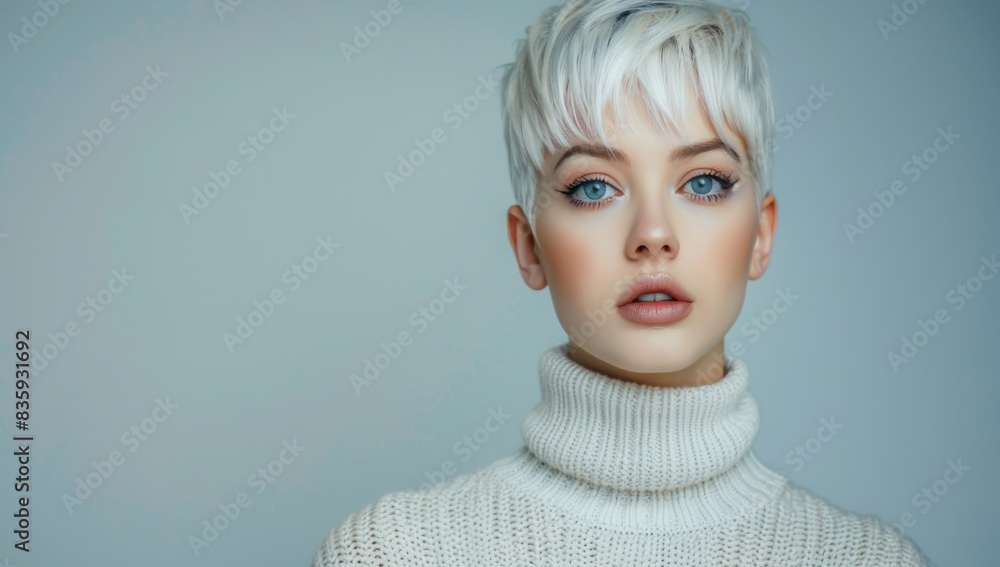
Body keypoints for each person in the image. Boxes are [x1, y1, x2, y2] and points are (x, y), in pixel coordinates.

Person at [313, 0, 930, 564]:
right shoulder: (390, 553)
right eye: (593, 188)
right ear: (528, 247)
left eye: (704, 182)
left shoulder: (868, 560)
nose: (653, 234)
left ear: (760, 236)